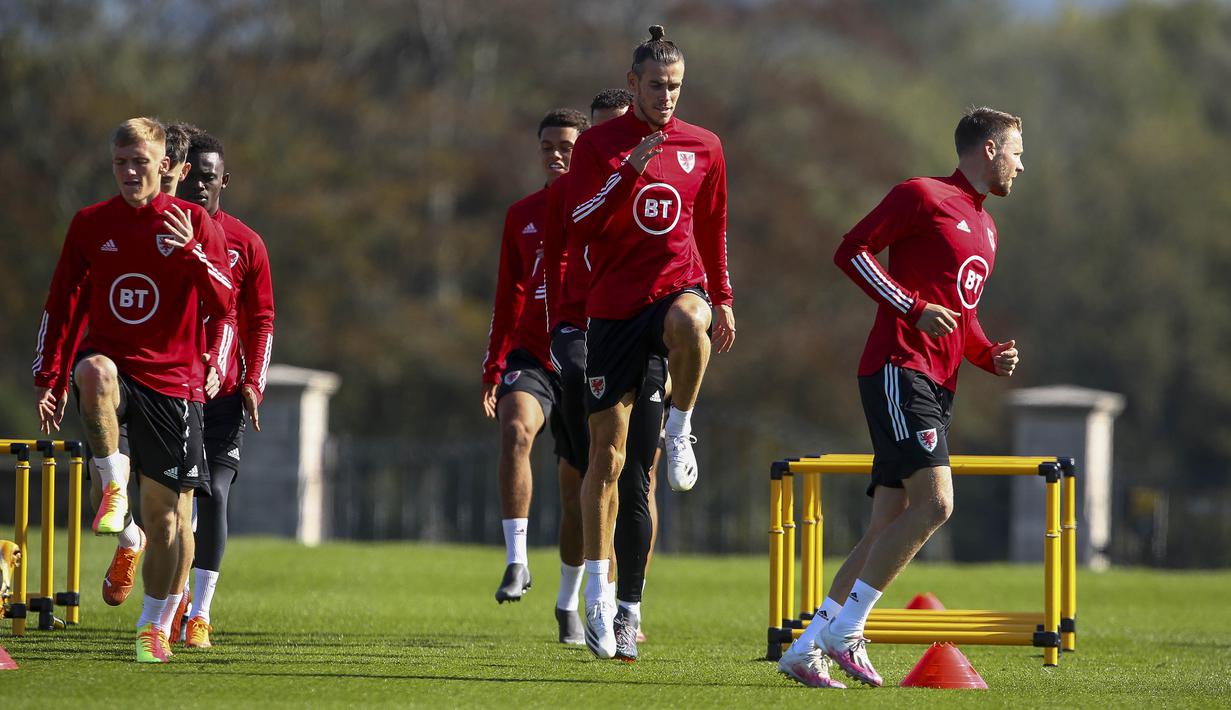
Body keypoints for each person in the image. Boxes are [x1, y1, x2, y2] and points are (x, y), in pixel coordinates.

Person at [778, 107, 1023, 689]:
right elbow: (852, 251)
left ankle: (806, 649)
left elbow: (961, 314)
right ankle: (848, 630)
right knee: (937, 504)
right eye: (1017, 151)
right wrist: (911, 309)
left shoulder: (988, 228)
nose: (1022, 164)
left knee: (885, 524)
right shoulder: (922, 194)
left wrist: (987, 353)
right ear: (989, 149)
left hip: (938, 382)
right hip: (899, 369)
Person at [33, 117, 233, 663]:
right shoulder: (90, 224)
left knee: (168, 519)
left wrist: (192, 254)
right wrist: (49, 375)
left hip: (174, 385)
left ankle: (153, 626)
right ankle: (113, 487)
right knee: (93, 372)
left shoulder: (193, 221)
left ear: (164, 166)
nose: (128, 172)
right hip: (116, 370)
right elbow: (61, 301)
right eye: (120, 163)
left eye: (139, 162)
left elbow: (225, 304)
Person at [565, 26, 734, 659]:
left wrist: (724, 297)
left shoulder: (704, 145)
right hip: (613, 312)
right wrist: (627, 173)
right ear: (632, 83)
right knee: (607, 462)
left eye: (676, 87)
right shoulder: (599, 145)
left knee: (692, 324)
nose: (667, 97)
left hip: (674, 293)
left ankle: (682, 427)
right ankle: (598, 596)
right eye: (657, 86)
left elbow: (712, 225)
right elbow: (579, 223)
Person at [544, 88, 665, 658]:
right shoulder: (572, 193)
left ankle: (628, 606)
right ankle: (594, 592)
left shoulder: (658, 184)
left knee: (640, 477)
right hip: (591, 333)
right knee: (600, 465)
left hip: (645, 330)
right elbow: (556, 264)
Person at [481, 109, 590, 635]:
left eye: (567, 146)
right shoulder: (521, 214)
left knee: (576, 493)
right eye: (548, 146)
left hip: (586, 359)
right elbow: (508, 295)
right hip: (532, 356)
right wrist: (493, 365)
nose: (556, 154)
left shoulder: (599, 210)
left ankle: (568, 602)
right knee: (515, 429)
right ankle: (517, 560)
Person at [176, 130, 276, 649]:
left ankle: (200, 613)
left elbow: (261, 320)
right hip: (170, 390)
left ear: (224, 181)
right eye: (190, 175)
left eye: (208, 177)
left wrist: (253, 381)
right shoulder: (159, 233)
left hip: (224, 395)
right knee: (170, 503)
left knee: (213, 493)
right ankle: (167, 599)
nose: (198, 185)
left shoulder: (246, 243)